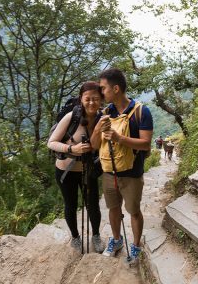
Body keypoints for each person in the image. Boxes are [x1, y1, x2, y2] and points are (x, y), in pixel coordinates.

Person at [91, 68, 153, 264]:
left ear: (116, 88)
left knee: (133, 210)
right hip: (109, 171)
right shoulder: (104, 113)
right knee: (113, 209)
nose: (101, 93)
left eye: (103, 89)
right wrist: (98, 129)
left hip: (132, 173)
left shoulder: (141, 111)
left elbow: (145, 144)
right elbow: (94, 145)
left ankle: (135, 246)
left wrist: (119, 138)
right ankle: (117, 241)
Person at [47, 81, 104, 253]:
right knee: (70, 205)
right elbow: (51, 143)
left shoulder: (103, 120)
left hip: (89, 170)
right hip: (65, 170)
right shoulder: (71, 117)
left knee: (93, 205)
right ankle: (75, 237)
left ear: (101, 99)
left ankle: (95, 235)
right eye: (88, 99)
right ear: (81, 99)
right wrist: (72, 149)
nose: (92, 102)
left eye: (96, 98)